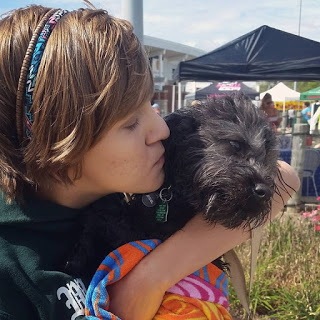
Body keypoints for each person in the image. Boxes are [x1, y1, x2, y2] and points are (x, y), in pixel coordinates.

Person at [0, 4, 299, 320]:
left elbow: (284, 176)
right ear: (56, 136)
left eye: (150, 104)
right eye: (130, 122)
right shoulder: (12, 274)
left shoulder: (127, 194)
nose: (162, 128)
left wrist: (149, 278)